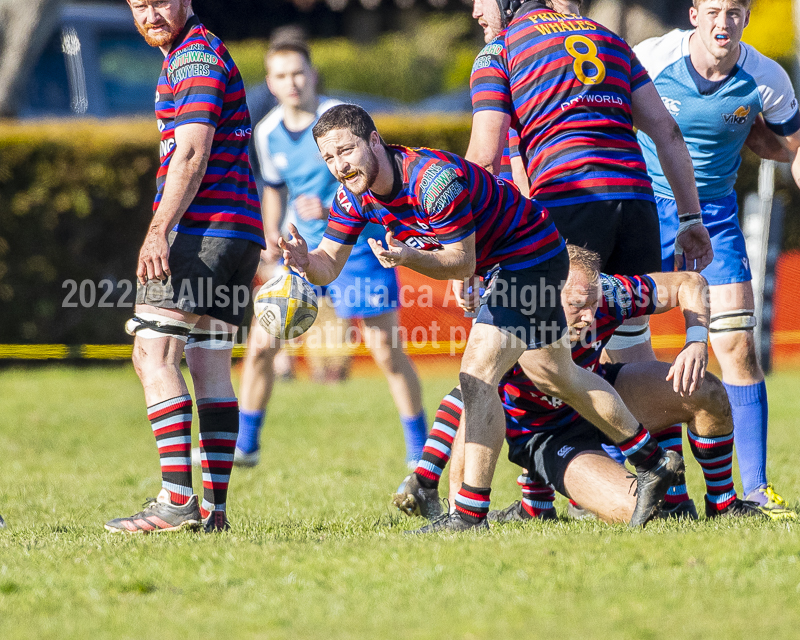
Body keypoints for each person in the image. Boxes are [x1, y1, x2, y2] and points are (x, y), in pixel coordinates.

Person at [279, 103, 684, 533]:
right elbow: (328, 264)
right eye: (329, 158)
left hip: (531, 257)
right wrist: (306, 261)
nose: (339, 166)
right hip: (510, 264)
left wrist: (408, 257)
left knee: (476, 375)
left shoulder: (433, 182)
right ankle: (654, 462)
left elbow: (460, 262)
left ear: (374, 141)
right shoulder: (353, 196)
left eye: (346, 151)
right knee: (559, 374)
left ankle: (469, 514)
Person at [399, 246, 790, 523]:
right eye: (575, 305)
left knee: (705, 390)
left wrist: (695, 339)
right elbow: (464, 396)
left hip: (603, 397)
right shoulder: (513, 315)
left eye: (592, 301)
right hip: (546, 436)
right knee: (637, 512)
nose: (588, 315)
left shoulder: (610, 294)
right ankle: (536, 498)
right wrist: (449, 497)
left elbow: (689, 281)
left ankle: (723, 503)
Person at [466, 0, 713, 365]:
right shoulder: (609, 39)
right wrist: (691, 218)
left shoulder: (500, 50)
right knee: (629, 350)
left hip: (569, 202)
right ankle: (648, 423)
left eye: (481, 0)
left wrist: (468, 248)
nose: (475, 11)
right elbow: (668, 132)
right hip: (636, 205)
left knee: (529, 359)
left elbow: (484, 159)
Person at [633, 0, 800, 512]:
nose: (722, 23)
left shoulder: (767, 78)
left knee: (738, 349)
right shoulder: (650, 58)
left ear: (746, 18)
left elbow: (792, 147)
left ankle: (754, 491)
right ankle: (665, 489)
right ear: (693, 14)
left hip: (714, 219)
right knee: (631, 353)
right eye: (712, 11)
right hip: (645, 211)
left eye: (733, 12)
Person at [230, 39, 427, 468]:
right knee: (261, 343)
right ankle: (246, 445)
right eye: (281, 76)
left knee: (385, 351)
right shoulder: (266, 133)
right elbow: (275, 192)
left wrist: (334, 207)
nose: (292, 82)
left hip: (359, 245)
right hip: (302, 252)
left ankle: (420, 450)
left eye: (298, 72)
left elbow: (375, 173)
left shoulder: (341, 118)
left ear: (313, 73)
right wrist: (269, 235)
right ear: (270, 83)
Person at [105, 0, 263, 533]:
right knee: (209, 364)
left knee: (153, 354)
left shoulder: (194, 58)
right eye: (138, 5)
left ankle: (176, 501)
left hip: (202, 231)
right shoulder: (192, 53)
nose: (149, 13)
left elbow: (192, 153)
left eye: (159, 1)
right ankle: (213, 511)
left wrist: (157, 228)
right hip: (238, 231)